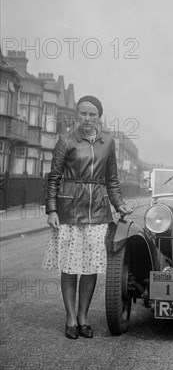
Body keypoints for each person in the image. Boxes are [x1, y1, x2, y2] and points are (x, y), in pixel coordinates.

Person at [42, 95, 131, 339]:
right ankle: (70, 318)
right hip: (69, 212)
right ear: (77, 115)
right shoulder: (66, 141)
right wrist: (51, 209)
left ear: (99, 117)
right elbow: (54, 177)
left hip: (99, 213)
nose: (87, 119)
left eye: (92, 114)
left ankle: (83, 316)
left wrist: (120, 205)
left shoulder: (108, 142)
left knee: (90, 268)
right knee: (70, 268)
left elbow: (112, 179)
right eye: (83, 114)